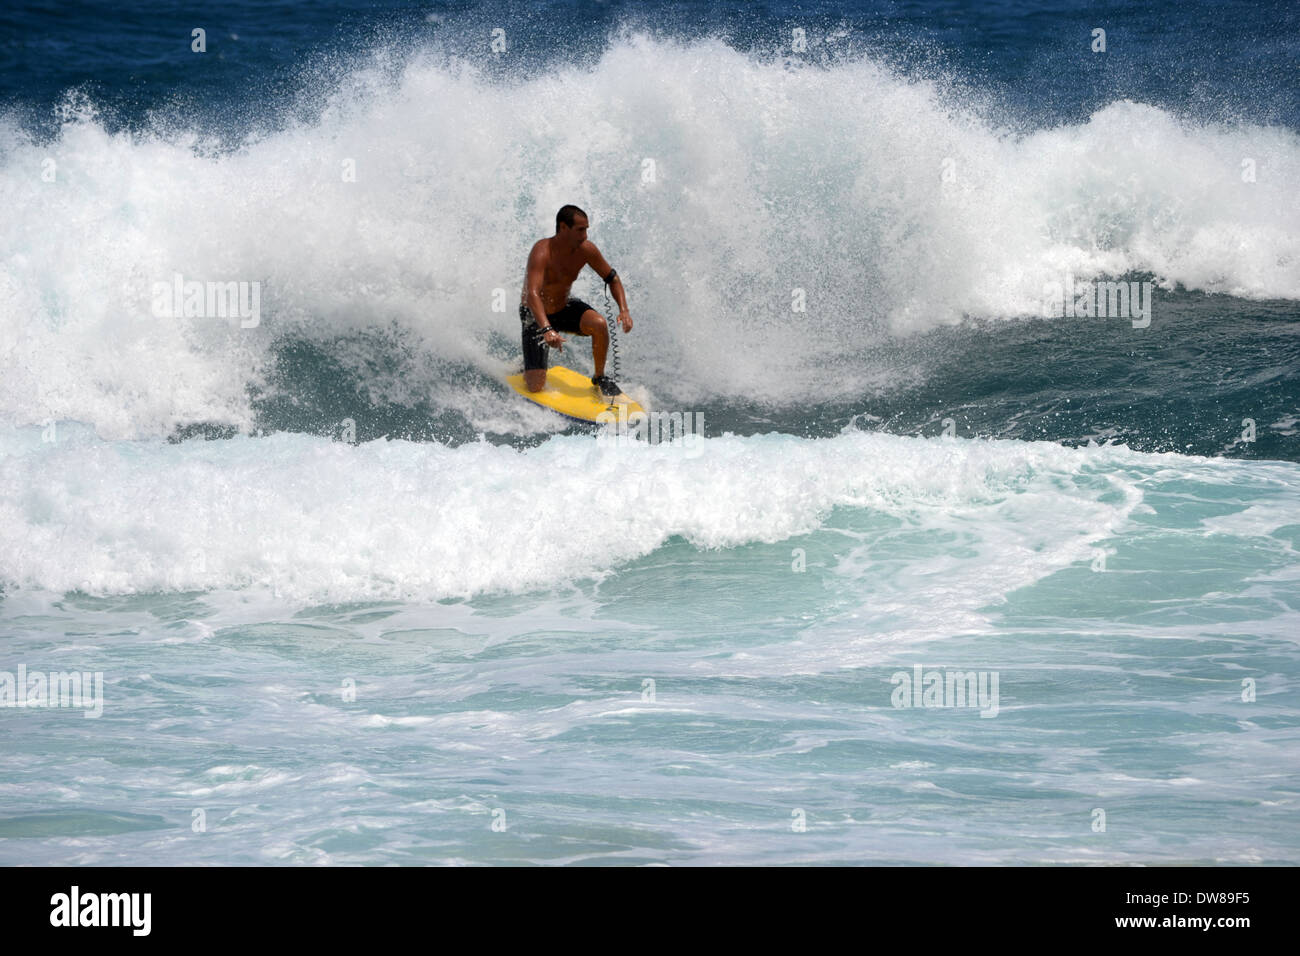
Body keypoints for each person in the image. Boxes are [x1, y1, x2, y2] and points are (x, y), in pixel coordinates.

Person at [519, 204, 632, 396]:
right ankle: (527, 369)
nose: (585, 235)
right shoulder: (542, 251)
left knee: (599, 324)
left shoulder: (586, 250)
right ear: (563, 227)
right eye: (580, 230)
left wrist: (624, 310)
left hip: (563, 307)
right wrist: (547, 329)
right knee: (535, 387)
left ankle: (600, 376)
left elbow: (612, 278)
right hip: (535, 315)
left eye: (586, 229)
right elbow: (532, 294)